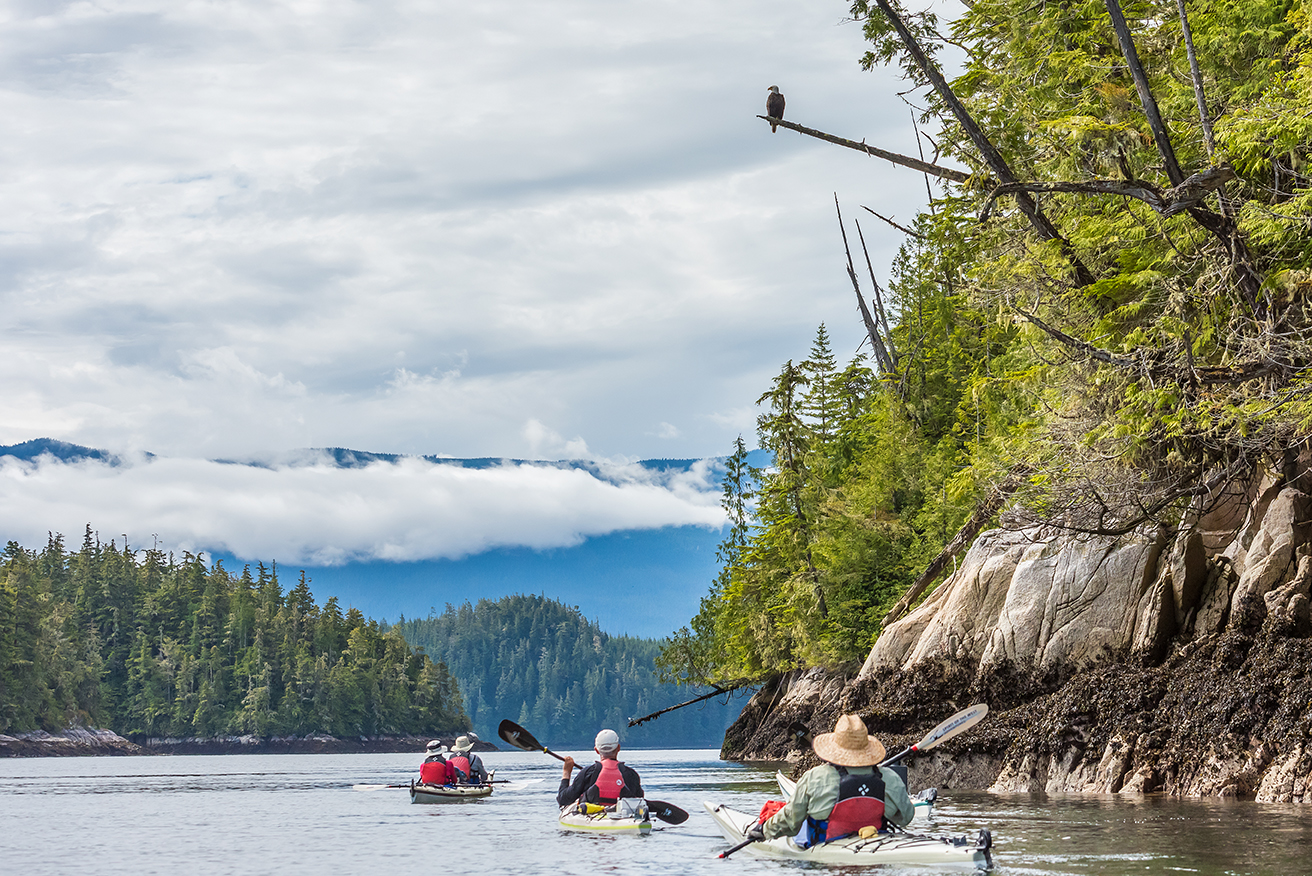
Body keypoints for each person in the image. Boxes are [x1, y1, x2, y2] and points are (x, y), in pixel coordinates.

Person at [748, 714, 914, 846]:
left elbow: (792, 821)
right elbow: (906, 818)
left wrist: (765, 829)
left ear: (835, 748)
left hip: (827, 847)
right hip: (876, 841)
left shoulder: (814, 777)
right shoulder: (890, 777)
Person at [556, 729, 644, 808]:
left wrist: (566, 772)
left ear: (596, 750)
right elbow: (639, 799)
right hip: (624, 817)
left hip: (593, 816)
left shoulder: (587, 773)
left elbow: (563, 800)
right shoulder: (631, 774)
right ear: (618, 748)